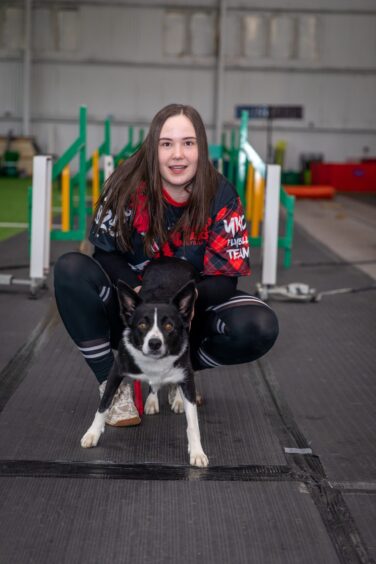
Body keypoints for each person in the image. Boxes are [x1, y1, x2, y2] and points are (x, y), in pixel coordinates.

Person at [54, 103, 279, 427]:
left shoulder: (221, 196)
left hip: (185, 319)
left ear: (201, 148)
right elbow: (105, 255)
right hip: (132, 314)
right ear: (152, 148)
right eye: (166, 143)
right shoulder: (125, 186)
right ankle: (112, 388)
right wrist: (142, 295)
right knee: (70, 270)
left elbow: (224, 280)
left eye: (188, 143)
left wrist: (174, 303)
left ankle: (180, 369)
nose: (178, 155)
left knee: (258, 325)